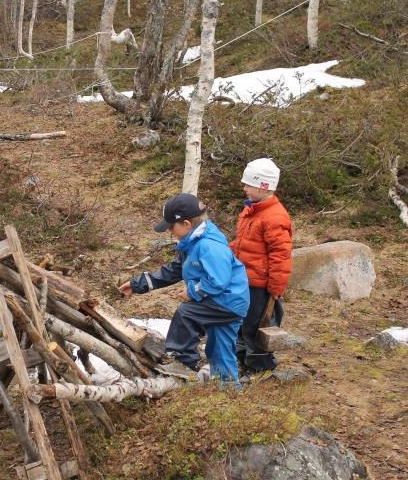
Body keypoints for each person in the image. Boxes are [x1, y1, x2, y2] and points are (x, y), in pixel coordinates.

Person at [119, 193, 249, 385]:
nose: (170, 232)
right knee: (219, 347)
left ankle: (180, 358)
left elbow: (219, 280)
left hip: (228, 300)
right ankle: (229, 386)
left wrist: (193, 292)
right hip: (224, 300)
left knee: (186, 313)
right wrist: (138, 284)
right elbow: (175, 270)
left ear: (187, 224)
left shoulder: (209, 246)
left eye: (172, 227)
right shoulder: (191, 243)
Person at [229, 158, 293, 376]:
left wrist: (275, 289)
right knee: (242, 321)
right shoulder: (252, 211)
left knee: (257, 326)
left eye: (248, 185)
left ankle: (260, 367)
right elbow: (242, 244)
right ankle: (241, 358)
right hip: (244, 279)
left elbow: (281, 255)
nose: (244, 188)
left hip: (260, 284)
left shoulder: (274, 217)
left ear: (263, 186)